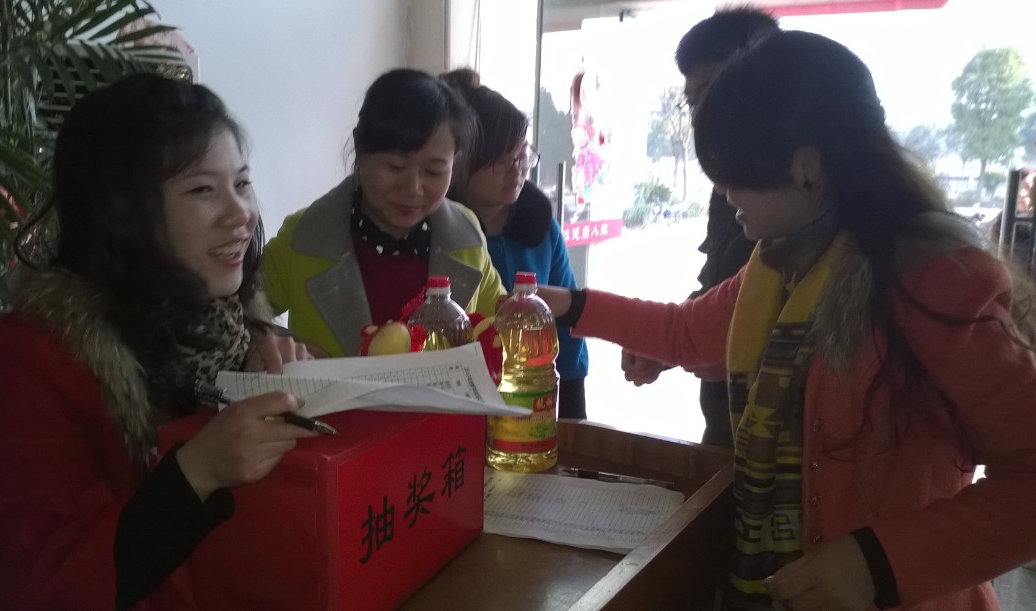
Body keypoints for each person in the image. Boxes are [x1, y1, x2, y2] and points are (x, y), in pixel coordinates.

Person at [539, 31, 1036, 610]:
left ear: (806, 168)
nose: (725, 196)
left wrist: (877, 562)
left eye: (735, 176)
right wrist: (569, 305)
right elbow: (688, 333)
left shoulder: (929, 278)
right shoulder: (778, 263)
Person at [0, 73, 316, 610]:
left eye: (242, 184)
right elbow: (39, 583)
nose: (241, 214)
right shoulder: (26, 363)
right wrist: (199, 469)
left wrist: (282, 379)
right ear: (123, 211)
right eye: (203, 190)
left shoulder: (232, 327)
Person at [620, 7, 779, 449]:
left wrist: (680, 342)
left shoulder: (828, 217)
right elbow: (720, 294)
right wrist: (669, 345)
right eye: (693, 102)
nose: (701, 117)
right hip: (729, 434)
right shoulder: (726, 189)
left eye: (715, 93)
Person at [263, 68, 504, 357]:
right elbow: (236, 317)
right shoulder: (304, 238)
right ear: (360, 149)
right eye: (395, 166)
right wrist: (281, 344)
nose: (413, 188)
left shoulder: (465, 239)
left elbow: (498, 324)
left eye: (434, 171)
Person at [441, 68, 589, 419]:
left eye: (523, 155)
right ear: (458, 163)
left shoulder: (541, 227)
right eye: (500, 161)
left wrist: (572, 411)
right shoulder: (439, 233)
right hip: (457, 400)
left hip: (533, 394)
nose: (518, 169)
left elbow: (566, 326)